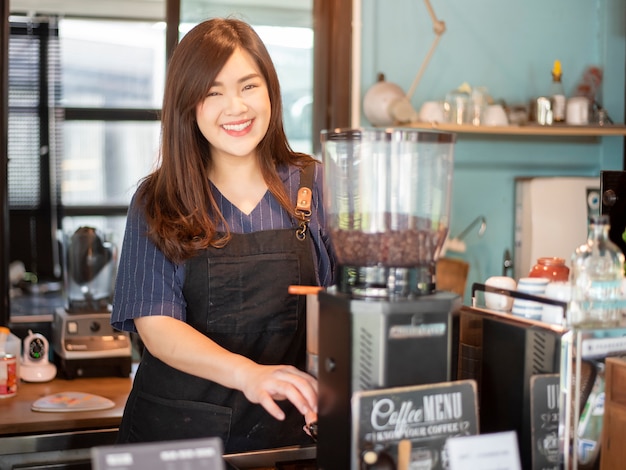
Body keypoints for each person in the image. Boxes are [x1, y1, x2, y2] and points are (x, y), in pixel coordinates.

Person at [110, 17, 335, 453]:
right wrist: (250, 374)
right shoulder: (158, 199)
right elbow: (158, 327)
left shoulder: (315, 186)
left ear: (271, 90)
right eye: (213, 92)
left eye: (249, 86)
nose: (236, 107)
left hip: (283, 434)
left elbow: (346, 301)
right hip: (177, 436)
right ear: (188, 105)